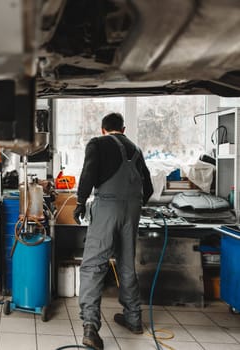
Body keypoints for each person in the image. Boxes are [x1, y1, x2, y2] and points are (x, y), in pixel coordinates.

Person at [73, 112, 153, 350]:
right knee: (126, 265)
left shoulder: (97, 143)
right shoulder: (136, 150)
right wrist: (131, 205)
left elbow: (88, 174)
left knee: (93, 266)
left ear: (103, 129)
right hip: (132, 211)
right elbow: (148, 188)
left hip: (107, 208)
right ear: (124, 129)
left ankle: (90, 327)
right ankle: (133, 318)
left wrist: (80, 202)